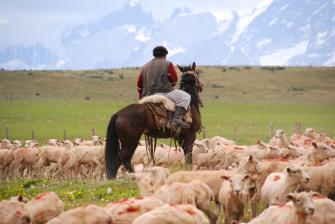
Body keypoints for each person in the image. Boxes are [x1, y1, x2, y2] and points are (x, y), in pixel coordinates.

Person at [137, 46, 191, 129]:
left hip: (146, 94)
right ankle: (176, 120)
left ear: (154, 55)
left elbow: (139, 84)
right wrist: (169, 85)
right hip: (164, 92)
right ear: (165, 55)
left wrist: (141, 97)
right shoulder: (168, 64)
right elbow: (174, 79)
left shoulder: (144, 66)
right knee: (186, 97)